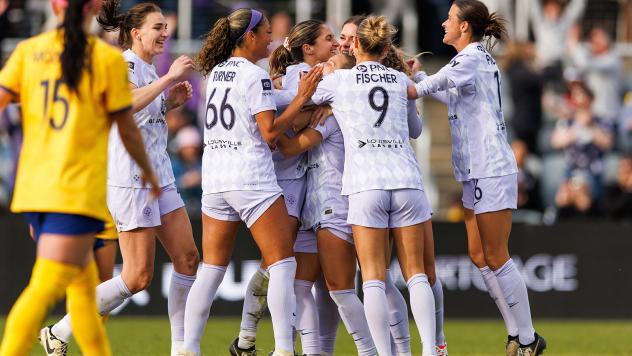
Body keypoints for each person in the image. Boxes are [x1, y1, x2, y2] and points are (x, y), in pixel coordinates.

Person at [0, 0, 159, 355]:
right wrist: (148, 171)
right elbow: (128, 129)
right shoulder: (104, 59)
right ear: (92, 11)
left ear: (55, 9)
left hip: (32, 188)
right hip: (74, 189)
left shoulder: (28, 51)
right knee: (46, 285)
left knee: (84, 292)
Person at [41, 2, 200, 356]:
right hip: (130, 178)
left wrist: (168, 103)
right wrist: (169, 79)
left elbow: (140, 115)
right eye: (157, 27)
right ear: (136, 32)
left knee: (188, 258)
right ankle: (58, 331)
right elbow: (124, 105)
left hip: (159, 174)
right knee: (137, 277)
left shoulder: (145, 67)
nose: (165, 33)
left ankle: (182, 350)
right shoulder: (123, 63)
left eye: (164, 26)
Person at [179, 8, 322, 356]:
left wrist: (298, 95)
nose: (271, 38)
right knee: (283, 262)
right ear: (249, 38)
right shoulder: (254, 75)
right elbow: (270, 132)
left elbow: (267, 102)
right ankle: (285, 349)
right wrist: (303, 97)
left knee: (211, 268)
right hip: (251, 177)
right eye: (266, 33)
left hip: (215, 178)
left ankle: (187, 348)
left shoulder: (217, 73)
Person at [408, 1, 546, 355]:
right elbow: (447, 93)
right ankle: (517, 332)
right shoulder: (468, 60)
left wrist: (399, 76)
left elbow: (422, 91)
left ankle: (528, 339)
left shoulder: (470, 58)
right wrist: (419, 76)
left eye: (450, 18)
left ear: (465, 26)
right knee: (478, 253)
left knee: (496, 255)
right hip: (475, 170)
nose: (443, 23)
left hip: (491, 168)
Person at [310, 15, 437, 356]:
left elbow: (307, 98)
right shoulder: (399, 78)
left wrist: (324, 94)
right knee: (417, 276)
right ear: (384, 49)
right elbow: (415, 130)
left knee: (373, 279)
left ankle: (383, 353)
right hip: (406, 180)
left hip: (366, 184)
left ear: (355, 45)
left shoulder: (340, 81)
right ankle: (430, 350)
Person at [229, 19, 340, 356]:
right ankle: (251, 338)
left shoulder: (305, 74)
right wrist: (327, 105)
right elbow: (297, 109)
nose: (335, 44)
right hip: (286, 178)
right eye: (328, 38)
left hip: (307, 182)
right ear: (307, 48)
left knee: (297, 277)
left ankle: (295, 346)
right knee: (277, 266)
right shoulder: (299, 75)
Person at [276, 52, 379, 356]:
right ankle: (314, 352)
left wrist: (267, 127)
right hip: (314, 205)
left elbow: (293, 145)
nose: (324, 70)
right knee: (300, 285)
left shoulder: (333, 115)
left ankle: (370, 351)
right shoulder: (327, 109)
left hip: (334, 203)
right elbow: (298, 118)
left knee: (341, 289)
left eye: (331, 67)